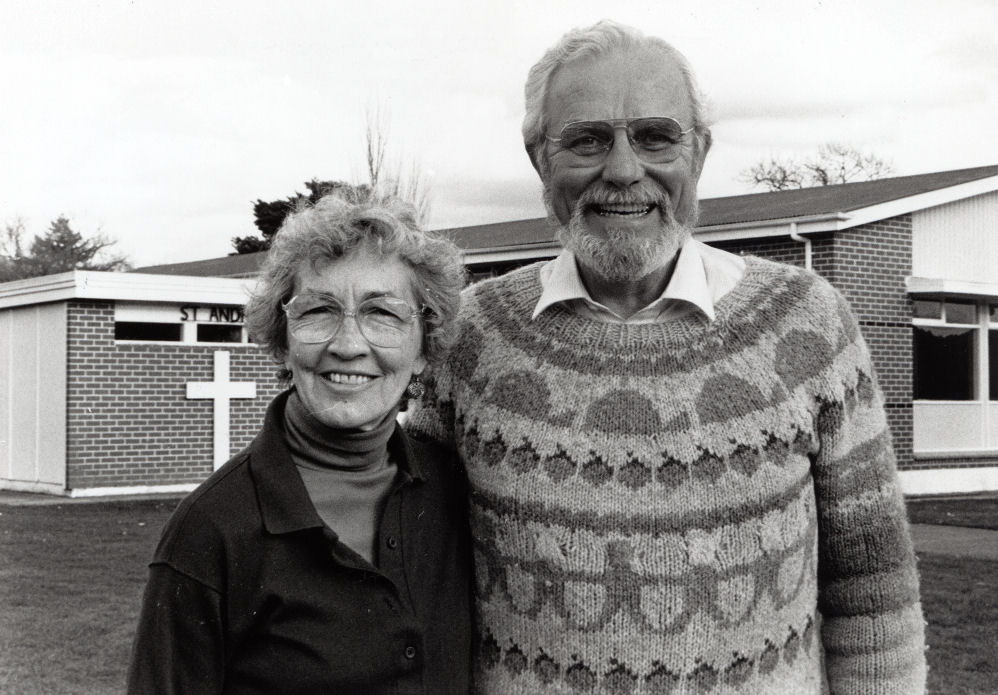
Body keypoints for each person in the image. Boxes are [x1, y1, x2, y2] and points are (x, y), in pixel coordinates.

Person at [407, 20, 927, 694]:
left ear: (700, 153)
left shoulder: (809, 323)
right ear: (540, 159)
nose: (624, 170)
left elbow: (873, 594)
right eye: (587, 140)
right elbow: (412, 566)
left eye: (655, 137)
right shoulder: (470, 334)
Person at [127, 192, 471, 694]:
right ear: (283, 341)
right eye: (318, 311)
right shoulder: (211, 532)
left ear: (424, 347)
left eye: (384, 314)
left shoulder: (453, 489)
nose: (349, 345)